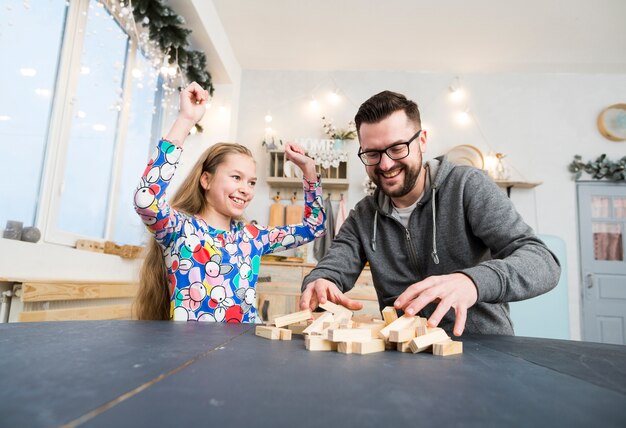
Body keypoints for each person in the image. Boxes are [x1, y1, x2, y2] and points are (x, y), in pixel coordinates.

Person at [300, 90, 560, 336]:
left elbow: (543, 261)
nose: (386, 164)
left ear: (422, 141)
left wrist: (471, 281)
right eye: (372, 153)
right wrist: (320, 282)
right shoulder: (364, 216)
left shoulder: (466, 187)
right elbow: (331, 268)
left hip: (483, 351)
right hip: (405, 357)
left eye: (397, 148)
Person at [134, 82, 325, 322]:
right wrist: (186, 119)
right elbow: (146, 199)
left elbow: (314, 226)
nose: (245, 189)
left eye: (252, 182)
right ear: (206, 180)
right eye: (236, 177)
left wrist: (308, 169)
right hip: (192, 352)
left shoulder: (253, 238)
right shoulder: (180, 230)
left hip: (245, 350)